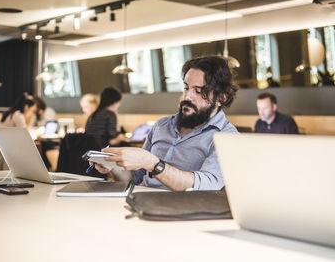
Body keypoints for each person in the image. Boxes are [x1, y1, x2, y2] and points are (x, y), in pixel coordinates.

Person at [94, 56, 238, 191]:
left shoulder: (227, 137)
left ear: (221, 98)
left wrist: (153, 164)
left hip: (180, 212)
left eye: (198, 91)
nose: (187, 97)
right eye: (186, 88)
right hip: (140, 201)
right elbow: (135, 179)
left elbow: (206, 188)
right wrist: (112, 167)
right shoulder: (162, 125)